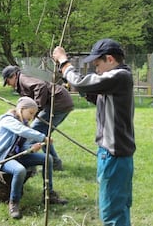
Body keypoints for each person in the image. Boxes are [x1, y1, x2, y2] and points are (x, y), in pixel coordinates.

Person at [53, 38, 136, 226]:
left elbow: (81, 82)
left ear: (110, 59)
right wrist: (83, 89)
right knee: (118, 209)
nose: (96, 69)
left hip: (114, 156)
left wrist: (63, 62)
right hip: (114, 155)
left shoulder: (119, 76)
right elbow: (98, 97)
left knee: (112, 214)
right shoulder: (117, 79)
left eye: (97, 64)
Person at [0, 96, 68, 219]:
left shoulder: (24, 124)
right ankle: (14, 202)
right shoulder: (7, 120)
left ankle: (48, 194)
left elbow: (23, 147)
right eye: (31, 113)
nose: (32, 117)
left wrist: (32, 148)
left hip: (17, 156)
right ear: (21, 109)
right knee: (19, 170)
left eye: (34, 114)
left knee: (48, 158)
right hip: (3, 158)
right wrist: (42, 137)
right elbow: (21, 130)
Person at [2, 65, 74, 171]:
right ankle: (54, 162)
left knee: (32, 133)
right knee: (42, 135)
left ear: (13, 76)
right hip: (59, 103)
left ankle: (30, 166)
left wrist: (36, 109)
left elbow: (40, 86)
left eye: (8, 82)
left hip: (58, 103)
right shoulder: (21, 81)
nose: (9, 85)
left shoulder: (22, 79)